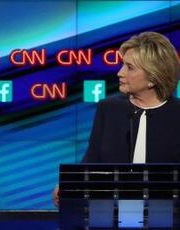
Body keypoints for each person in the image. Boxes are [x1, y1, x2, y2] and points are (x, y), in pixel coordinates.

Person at [53, 31, 180, 205]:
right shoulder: (109, 109)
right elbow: (92, 160)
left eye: (130, 67)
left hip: (168, 219)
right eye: (122, 65)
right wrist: (70, 184)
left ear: (153, 77)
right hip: (110, 216)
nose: (120, 73)